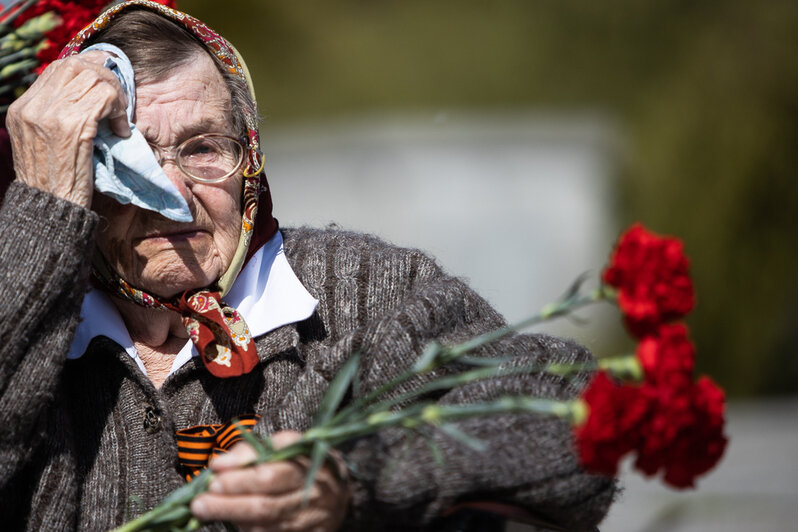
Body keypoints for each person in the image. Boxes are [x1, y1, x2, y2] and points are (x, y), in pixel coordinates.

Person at [0, 1, 615, 530]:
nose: (174, 194)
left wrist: (355, 478)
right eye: (128, 162)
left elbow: (575, 422)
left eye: (204, 148)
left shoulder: (362, 295)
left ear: (251, 164)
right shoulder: (38, 310)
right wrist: (41, 219)